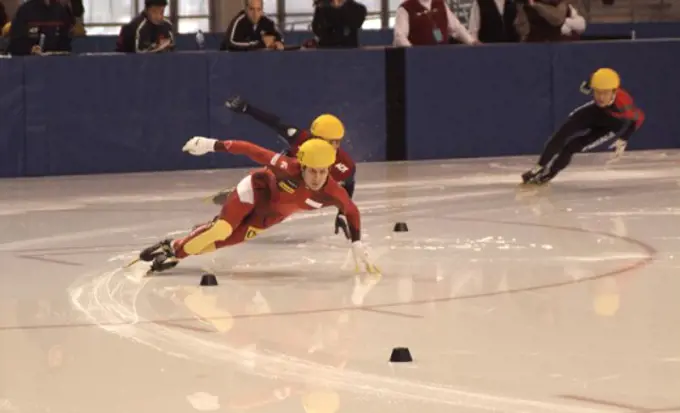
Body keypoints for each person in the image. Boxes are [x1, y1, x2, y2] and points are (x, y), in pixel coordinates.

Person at [136, 138, 378, 275]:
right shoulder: (286, 166)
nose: (317, 177)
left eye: (323, 172)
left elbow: (351, 210)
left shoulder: (332, 190)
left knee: (215, 244)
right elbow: (252, 150)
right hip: (256, 189)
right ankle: (176, 253)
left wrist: (356, 241)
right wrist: (212, 145)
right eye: (312, 171)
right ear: (302, 166)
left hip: (270, 215)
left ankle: (174, 246)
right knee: (222, 229)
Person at [213, 96, 357, 240]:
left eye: (335, 142)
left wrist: (342, 213)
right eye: (318, 140)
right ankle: (227, 213)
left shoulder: (345, 165)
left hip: (301, 191)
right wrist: (247, 109)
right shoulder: (300, 138)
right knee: (265, 182)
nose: (327, 145)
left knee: (270, 206)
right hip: (281, 173)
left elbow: (348, 185)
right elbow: (275, 123)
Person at [521, 68, 645, 185]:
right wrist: (586, 86)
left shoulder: (623, 103)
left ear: (614, 91)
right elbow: (590, 82)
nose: (601, 97)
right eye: (597, 92)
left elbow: (639, 118)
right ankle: (539, 168)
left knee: (571, 147)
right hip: (595, 112)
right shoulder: (595, 80)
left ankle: (549, 174)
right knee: (562, 134)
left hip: (611, 125)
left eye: (605, 93)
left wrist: (624, 138)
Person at [7, 0, 74, 56]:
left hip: (57, 64)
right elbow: (15, 43)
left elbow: (65, 41)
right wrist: (30, 49)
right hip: (29, 64)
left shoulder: (61, 11)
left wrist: (60, 52)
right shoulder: (25, 11)